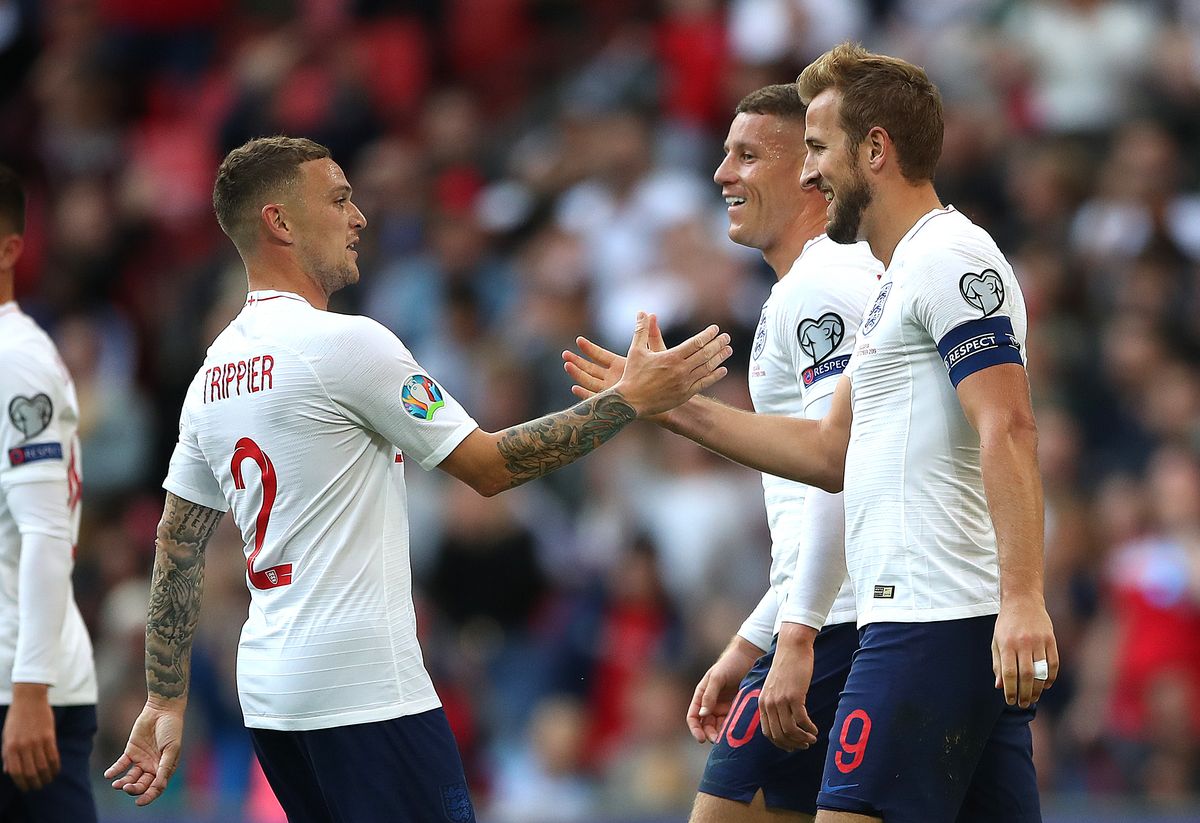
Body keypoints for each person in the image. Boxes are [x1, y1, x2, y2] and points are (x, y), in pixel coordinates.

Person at [101, 136, 731, 823]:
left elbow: (178, 543)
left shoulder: (211, 376)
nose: (360, 216)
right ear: (280, 222)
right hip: (366, 689)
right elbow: (488, 466)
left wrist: (164, 699)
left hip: (273, 696)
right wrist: (627, 400)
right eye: (339, 198)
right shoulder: (347, 344)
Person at [569, 44, 1059, 823]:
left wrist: (1024, 596)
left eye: (820, 150)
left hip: (924, 616)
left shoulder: (947, 257)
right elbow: (830, 455)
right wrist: (662, 406)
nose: (811, 172)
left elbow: (1010, 423)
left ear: (875, 150)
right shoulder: (893, 277)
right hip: (911, 617)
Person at [564, 84, 879, 822]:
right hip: (841, 616)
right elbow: (820, 500)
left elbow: (839, 469)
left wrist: (792, 635)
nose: (720, 174)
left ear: (811, 172)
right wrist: (751, 640)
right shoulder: (827, 281)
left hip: (845, 625)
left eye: (745, 155)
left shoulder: (822, 289)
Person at [0, 164, 98, 822]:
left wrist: (29, 689)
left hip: (21, 691)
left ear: (9, 249)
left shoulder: (15, 359)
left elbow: (46, 532)